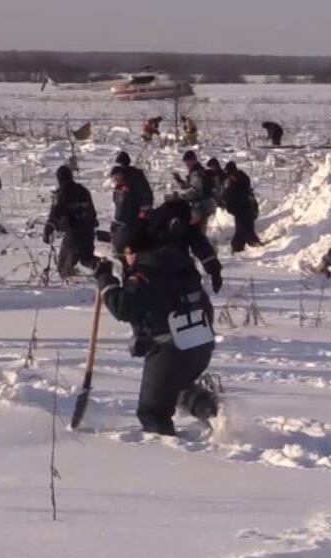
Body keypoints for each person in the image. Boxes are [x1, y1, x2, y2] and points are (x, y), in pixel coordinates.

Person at [93, 227, 219, 437]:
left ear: (131, 250)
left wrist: (106, 281)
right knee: (177, 388)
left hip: (172, 350)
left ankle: (166, 460)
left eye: (125, 254)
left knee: (152, 412)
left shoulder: (146, 272)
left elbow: (124, 308)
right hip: (201, 345)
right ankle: (219, 415)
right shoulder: (180, 263)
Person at [43, 166, 99, 279]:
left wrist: (47, 230)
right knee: (86, 258)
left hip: (73, 234)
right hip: (88, 231)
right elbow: (92, 212)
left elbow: (55, 214)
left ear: (59, 179)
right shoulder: (84, 190)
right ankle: (103, 268)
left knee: (63, 267)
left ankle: (75, 284)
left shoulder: (62, 193)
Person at [221, 162, 263, 253]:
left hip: (244, 209)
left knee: (245, 228)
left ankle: (254, 243)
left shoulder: (241, 181)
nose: (229, 177)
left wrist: (230, 203)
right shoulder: (233, 182)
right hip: (240, 209)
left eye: (230, 174)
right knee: (241, 228)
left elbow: (240, 196)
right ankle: (237, 247)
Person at [173, 151, 217, 232]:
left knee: (198, 232)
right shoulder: (198, 172)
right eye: (186, 163)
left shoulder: (196, 173)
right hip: (205, 205)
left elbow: (195, 191)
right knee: (199, 232)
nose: (187, 165)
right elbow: (191, 187)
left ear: (194, 160)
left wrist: (180, 196)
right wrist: (179, 180)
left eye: (188, 162)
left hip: (201, 206)